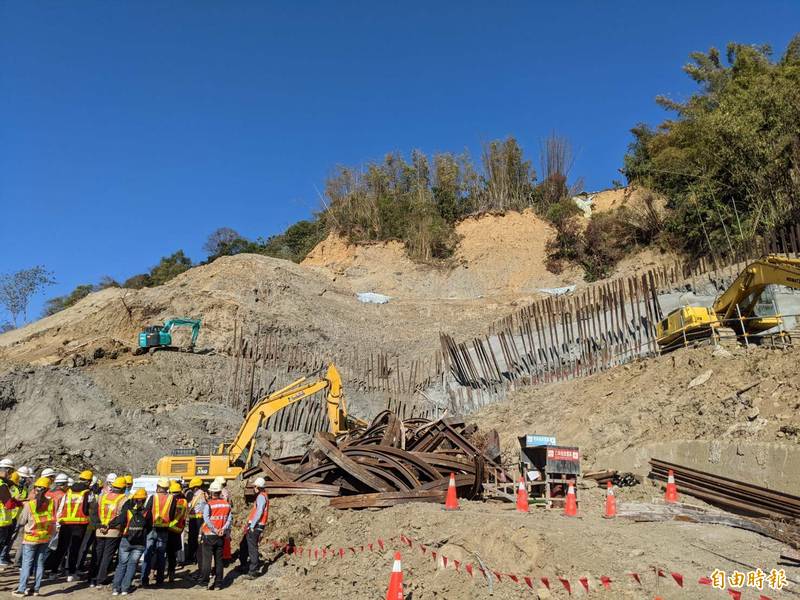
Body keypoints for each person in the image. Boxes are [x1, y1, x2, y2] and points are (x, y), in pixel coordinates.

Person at [12, 477, 56, 597]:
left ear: (35, 489)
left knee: (27, 564)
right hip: (44, 538)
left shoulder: (30, 505)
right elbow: (53, 521)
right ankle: (36, 589)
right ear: (47, 490)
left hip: (30, 539)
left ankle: (21, 590)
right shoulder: (51, 503)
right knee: (39, 564)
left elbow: (22, 521)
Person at [46, 469, 92, 581]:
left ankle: (53, 572)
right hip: (80, 524)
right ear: (89, 481)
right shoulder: (87, 493)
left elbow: (61, 507)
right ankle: (71, 573)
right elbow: (89, 509)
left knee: (61, 549)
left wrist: (58, 522)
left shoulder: (69, 491)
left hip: (65, 523)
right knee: (74, 550)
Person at [110, 488, 151, 596]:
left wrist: (108, 525)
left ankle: (115, 588)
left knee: (122, 564)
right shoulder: (147, 512)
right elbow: (150, 527)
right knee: (132, 565)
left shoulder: (128, 511)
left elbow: (119, 520)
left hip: (126, 539)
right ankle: (125, 589)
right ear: (145, 499)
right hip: (140, 542)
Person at [88, 476, 127, 587]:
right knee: (107, 555)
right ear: (123, 488)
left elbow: (94, 513)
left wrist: (99, 525)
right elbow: (122, 517)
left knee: (97, 554)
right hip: (113, 531)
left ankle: (92, 578)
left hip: (100, 530)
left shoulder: (102, 497)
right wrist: (109, 525)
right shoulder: (124, 499)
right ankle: (101, 579)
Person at [140, 478, 176, 586]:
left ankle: (144, 580)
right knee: (161, 555)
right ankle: (160, 580)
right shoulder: (172, 498)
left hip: (152, 529)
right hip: (164, 530)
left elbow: (147, 513)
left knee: (148, 553)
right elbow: (173, 515)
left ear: (158, 486)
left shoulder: (153, 497)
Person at [197, 481, 231, 590]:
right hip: (220, 535)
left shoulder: (209, 505)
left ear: (211, 493)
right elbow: (229, 519)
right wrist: (222, 529)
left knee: (207, 560)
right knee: (219, 561)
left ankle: (204, 583)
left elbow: (206, 519)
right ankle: (218, 584)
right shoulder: (226, 504)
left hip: (209, 535)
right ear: (220, 492)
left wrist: (215, 530)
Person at [239, 477, 269, 579]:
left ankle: (253, 571)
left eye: (255, 486)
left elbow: (259, 511)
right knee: (245, 545)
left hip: (256, 525)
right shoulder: (263, 496)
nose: (254, 488)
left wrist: (252, 525)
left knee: (252, 548)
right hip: (256, 524)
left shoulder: (261, 496)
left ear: (259, 487)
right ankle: (245, 566)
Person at [166, 481, 187, 583]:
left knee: (167, 553)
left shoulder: (177, 501)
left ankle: (168, 574)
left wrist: (169, 524)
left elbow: (178, 515)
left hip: (171, 529)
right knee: (171, 554)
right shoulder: (183, 501)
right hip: (176, 530)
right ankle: (171, 574)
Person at [0, 458, 19, 568]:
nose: (11, 475)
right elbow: (9, 505)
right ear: (6, 470)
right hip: (2, 522)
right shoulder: (2, 485)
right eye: (11, 472)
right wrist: (15, 501)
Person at [185, 477, 206, 567]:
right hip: (195, 519)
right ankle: (194, 557)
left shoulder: (200, 495)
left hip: (197, 520)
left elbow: (200, 508)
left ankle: (194, 558)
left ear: (196, 487)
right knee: (193, 539)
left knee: (194, 539)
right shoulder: (198, 495)